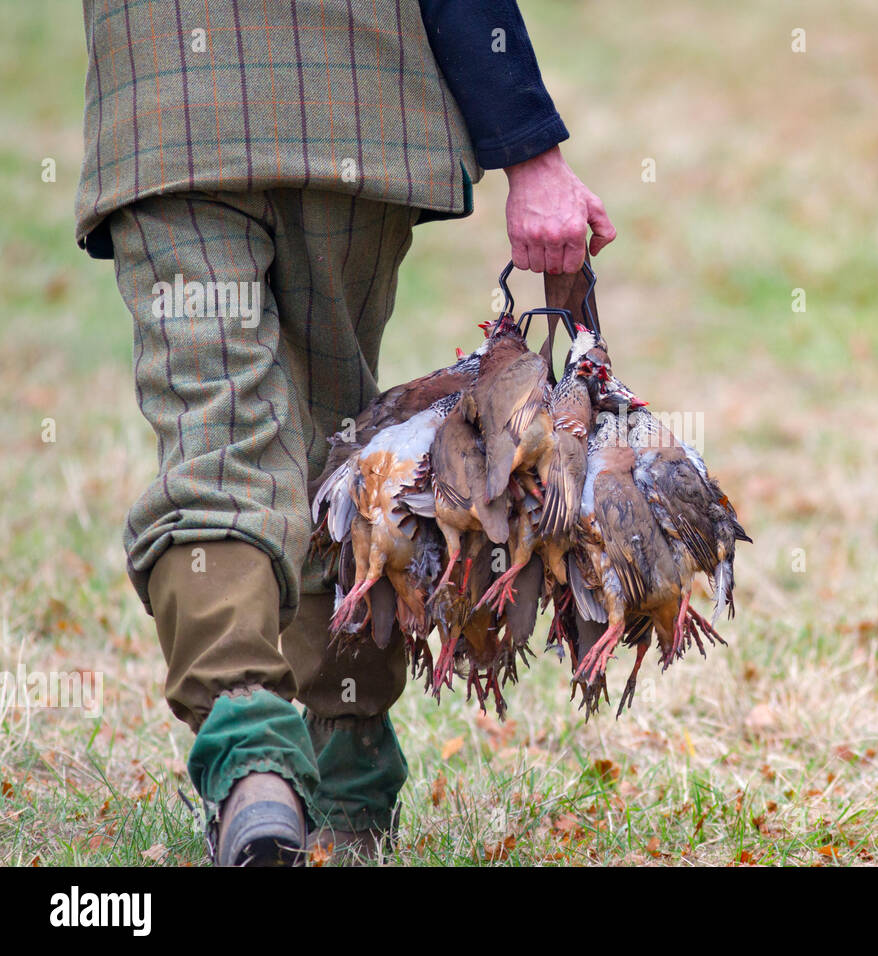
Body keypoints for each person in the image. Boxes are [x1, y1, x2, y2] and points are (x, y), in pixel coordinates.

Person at [74, 0, 615, 865]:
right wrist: (531, 152)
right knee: (335, 447)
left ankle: (251, 757)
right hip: (351, 100)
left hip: (169, 100)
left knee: (217, 439)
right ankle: (348, 770)